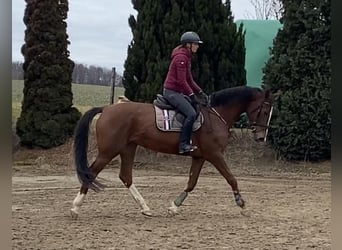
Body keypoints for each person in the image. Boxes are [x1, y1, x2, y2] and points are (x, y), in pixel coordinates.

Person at [163, 31, 208, 154]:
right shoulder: (181, 58)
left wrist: (200, 92)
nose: (197, 46)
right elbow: (181, 81)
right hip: (171, 92)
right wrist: (192, 95)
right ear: (188, 45)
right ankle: (183, 144)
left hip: (177, 92)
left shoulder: (186, 57)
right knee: (191, 114)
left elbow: (189, 80)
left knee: (195, 109)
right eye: (196, 44)